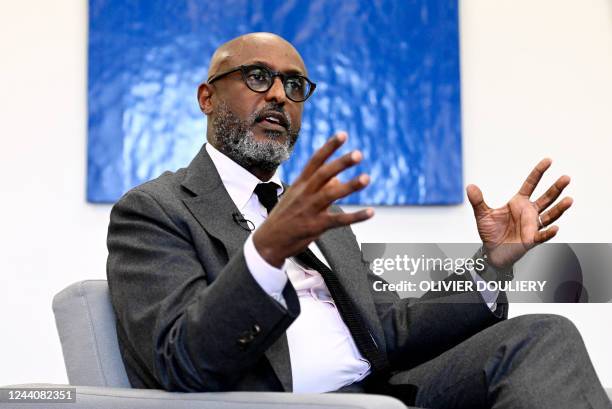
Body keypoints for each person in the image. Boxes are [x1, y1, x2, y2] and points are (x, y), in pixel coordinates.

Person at [106, 32, 611, 408]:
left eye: (295, 85)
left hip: (381, 392)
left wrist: (490, 265)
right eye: (258, 77)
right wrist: (265, 253)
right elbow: (180, 361)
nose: (279, 95)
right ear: (207, 96)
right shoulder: (154, 209)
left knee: (543, 335)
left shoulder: (312, 212)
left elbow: (389, 326)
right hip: (283, 402)